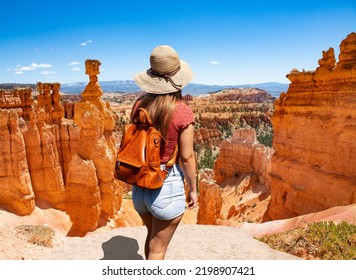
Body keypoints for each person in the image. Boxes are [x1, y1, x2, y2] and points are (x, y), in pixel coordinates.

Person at [131, 45, 198, 260]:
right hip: (165, 185)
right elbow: (187, 157)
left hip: (140, 185)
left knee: (152, 238)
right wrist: (193, 189)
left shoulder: (138, 105)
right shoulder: (182, 111)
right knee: (158, 249)